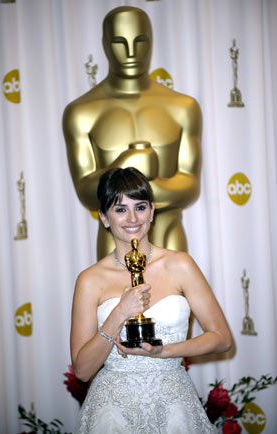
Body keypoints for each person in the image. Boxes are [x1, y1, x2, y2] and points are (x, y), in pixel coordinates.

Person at [70, 167, 232, 434]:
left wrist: (163, 352)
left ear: (152, 210)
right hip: (112, 411)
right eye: (120, 209)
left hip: (174, 404)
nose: (132, 218)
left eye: (140, 207)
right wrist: (118, 314)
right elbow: (83, 370)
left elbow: (222, 338)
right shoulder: (89, 280)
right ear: (104, 218)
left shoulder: (180, 264)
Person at [63, 6, 202, 259]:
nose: (130, 53)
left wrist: (124, 188)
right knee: (117, 299)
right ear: (105, 44)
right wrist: (125, 164)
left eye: (139, 41)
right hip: (113, 242)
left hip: (169, 236)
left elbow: (190, 186)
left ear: (151, 41)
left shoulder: (183, 107)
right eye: (119, 42)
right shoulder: (81, 112)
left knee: (177, 299)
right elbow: (85, 192)